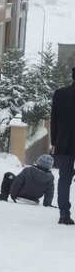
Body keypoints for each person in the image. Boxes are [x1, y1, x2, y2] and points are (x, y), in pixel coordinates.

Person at [50, 67, 75, 225]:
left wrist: (54, 141)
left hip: (65, 143)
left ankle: (64, 214)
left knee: (64, 179)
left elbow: (54, 120)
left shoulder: (60, 94)